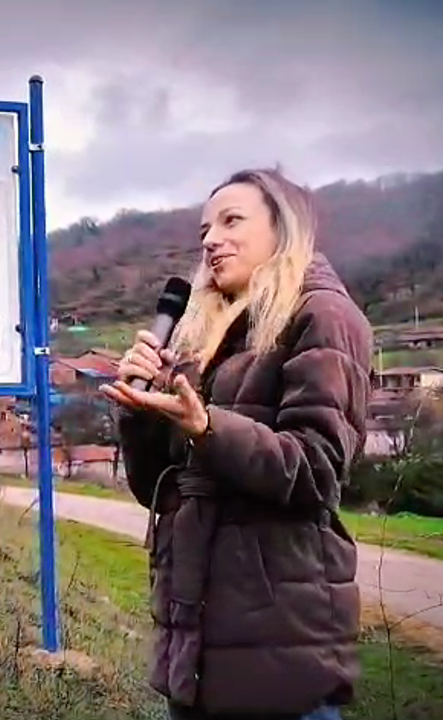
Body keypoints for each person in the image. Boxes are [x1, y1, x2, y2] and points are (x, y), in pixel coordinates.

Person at [101, 167, 371, 720]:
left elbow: (315, 469)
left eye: (231, 221)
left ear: (282, 229)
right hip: (196, 649)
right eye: (204, 230)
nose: (211, 240)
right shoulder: (201, 337)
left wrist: (208, 428)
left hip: (278, 648)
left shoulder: (322, 316)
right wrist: (139, 413)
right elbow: (158, 490)